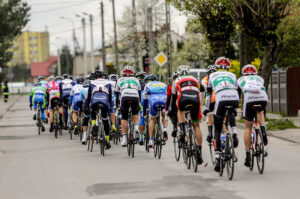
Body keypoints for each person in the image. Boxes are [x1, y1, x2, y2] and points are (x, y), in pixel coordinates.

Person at [205, 57, 239, 172]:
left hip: (221, 98)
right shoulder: (233, 75)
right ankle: (234, 134)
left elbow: (209, 95)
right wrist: (236, 107)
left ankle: (218, 157)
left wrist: (207, 109)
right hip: (234, 97)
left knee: (217, 129)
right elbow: (237, 89)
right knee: (230, 112)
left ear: (217, 67)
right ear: (228, 67)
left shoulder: (212, 76)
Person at [171, 65, 203, 165]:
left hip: (183, 98)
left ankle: (183, 128)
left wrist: (173, 114)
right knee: (196, 126)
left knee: (179, 109)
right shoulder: (194, 79)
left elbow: (173, 100)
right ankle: (199, 151)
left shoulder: (176, 80)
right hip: (195, 100)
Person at [238, 64, 268, 167]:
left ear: (243, 73)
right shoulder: (260, 78)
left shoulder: (240, 79)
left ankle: (247, 156)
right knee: (260, 111)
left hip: (249, 100)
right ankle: (263, 129)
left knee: (247, 127)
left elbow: (239, 94)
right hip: (263, 98)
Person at [84, 70, 113, 149]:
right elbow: (110, 97)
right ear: (103, 76)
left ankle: (94, 124)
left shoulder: (92, 83)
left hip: (95, 101)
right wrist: (110, 106)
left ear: (95, 77)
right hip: (104, 100)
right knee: (105, 120)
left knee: (92, 111)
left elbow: (88, 97)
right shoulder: (108, 83)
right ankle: (107, 139)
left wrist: (86, 106)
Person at [115, 66, 141, 147]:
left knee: (124, 117)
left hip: (125, 96)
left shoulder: (119, 80)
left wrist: (117, 106)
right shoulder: (136, 80)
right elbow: (139, 93)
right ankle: (136, 127)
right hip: (135, 95)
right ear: (132, 74)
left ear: (123, 73)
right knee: (135, 113)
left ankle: (125, 139)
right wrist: (138, 104)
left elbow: (116, 94)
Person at [142, 74, 168, 148]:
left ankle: (150, 140)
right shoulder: (163, 84)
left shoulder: (147, 85)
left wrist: (144, 112)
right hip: (163, 100)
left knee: (152, 119)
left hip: (154, 101)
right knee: (164, 114)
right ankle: (165, 128)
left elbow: (145, 100)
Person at [201, 65, 217, 143]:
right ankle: (225, 131)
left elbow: (203, 94)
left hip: (210, 98)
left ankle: (210, 132)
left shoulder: (204, 80)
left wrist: (202, 107)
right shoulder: (219, 77)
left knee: (210, 112)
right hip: (222, 97)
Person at [136, 71, 147, 145]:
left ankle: (141, 137)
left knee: (142, 116)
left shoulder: (136, 82)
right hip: (148, 97)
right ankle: (155, 132)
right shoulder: (148, 82)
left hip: (140, 99)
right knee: (153, 116)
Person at [167, 72, 179, 138]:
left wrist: (167, 108)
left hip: (177, 100)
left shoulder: (170, 85)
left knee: (172, 112)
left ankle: (175, 126)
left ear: (172, 78)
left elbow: (169, 98)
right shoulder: (183, 81)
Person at [80, 79, 90, 144]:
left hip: (86, 105)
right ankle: (97, 125)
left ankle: (84, 136)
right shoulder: (93, 88)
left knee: (85, 119)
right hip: (93, 104)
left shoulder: (82, 90)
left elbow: (80, 101)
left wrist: (81, 110)